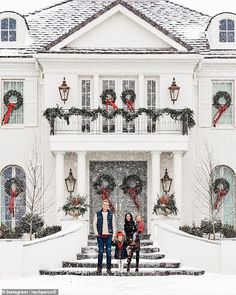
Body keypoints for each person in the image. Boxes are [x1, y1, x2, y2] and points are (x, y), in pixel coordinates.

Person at [93, 199, 116, 275]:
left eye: (107, 205)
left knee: (109, 252)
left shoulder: (111, 214)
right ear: (102, 205)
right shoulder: (97, 214)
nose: (105, 206)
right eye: (104, 204)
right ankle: (99, 268)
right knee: (101, 252)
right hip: (100, 235)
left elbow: (113, 225)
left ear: (108, 206)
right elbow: (94, 224)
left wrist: (114, 235)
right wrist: (96, 233)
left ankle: (108, 269)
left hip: (109, 235)